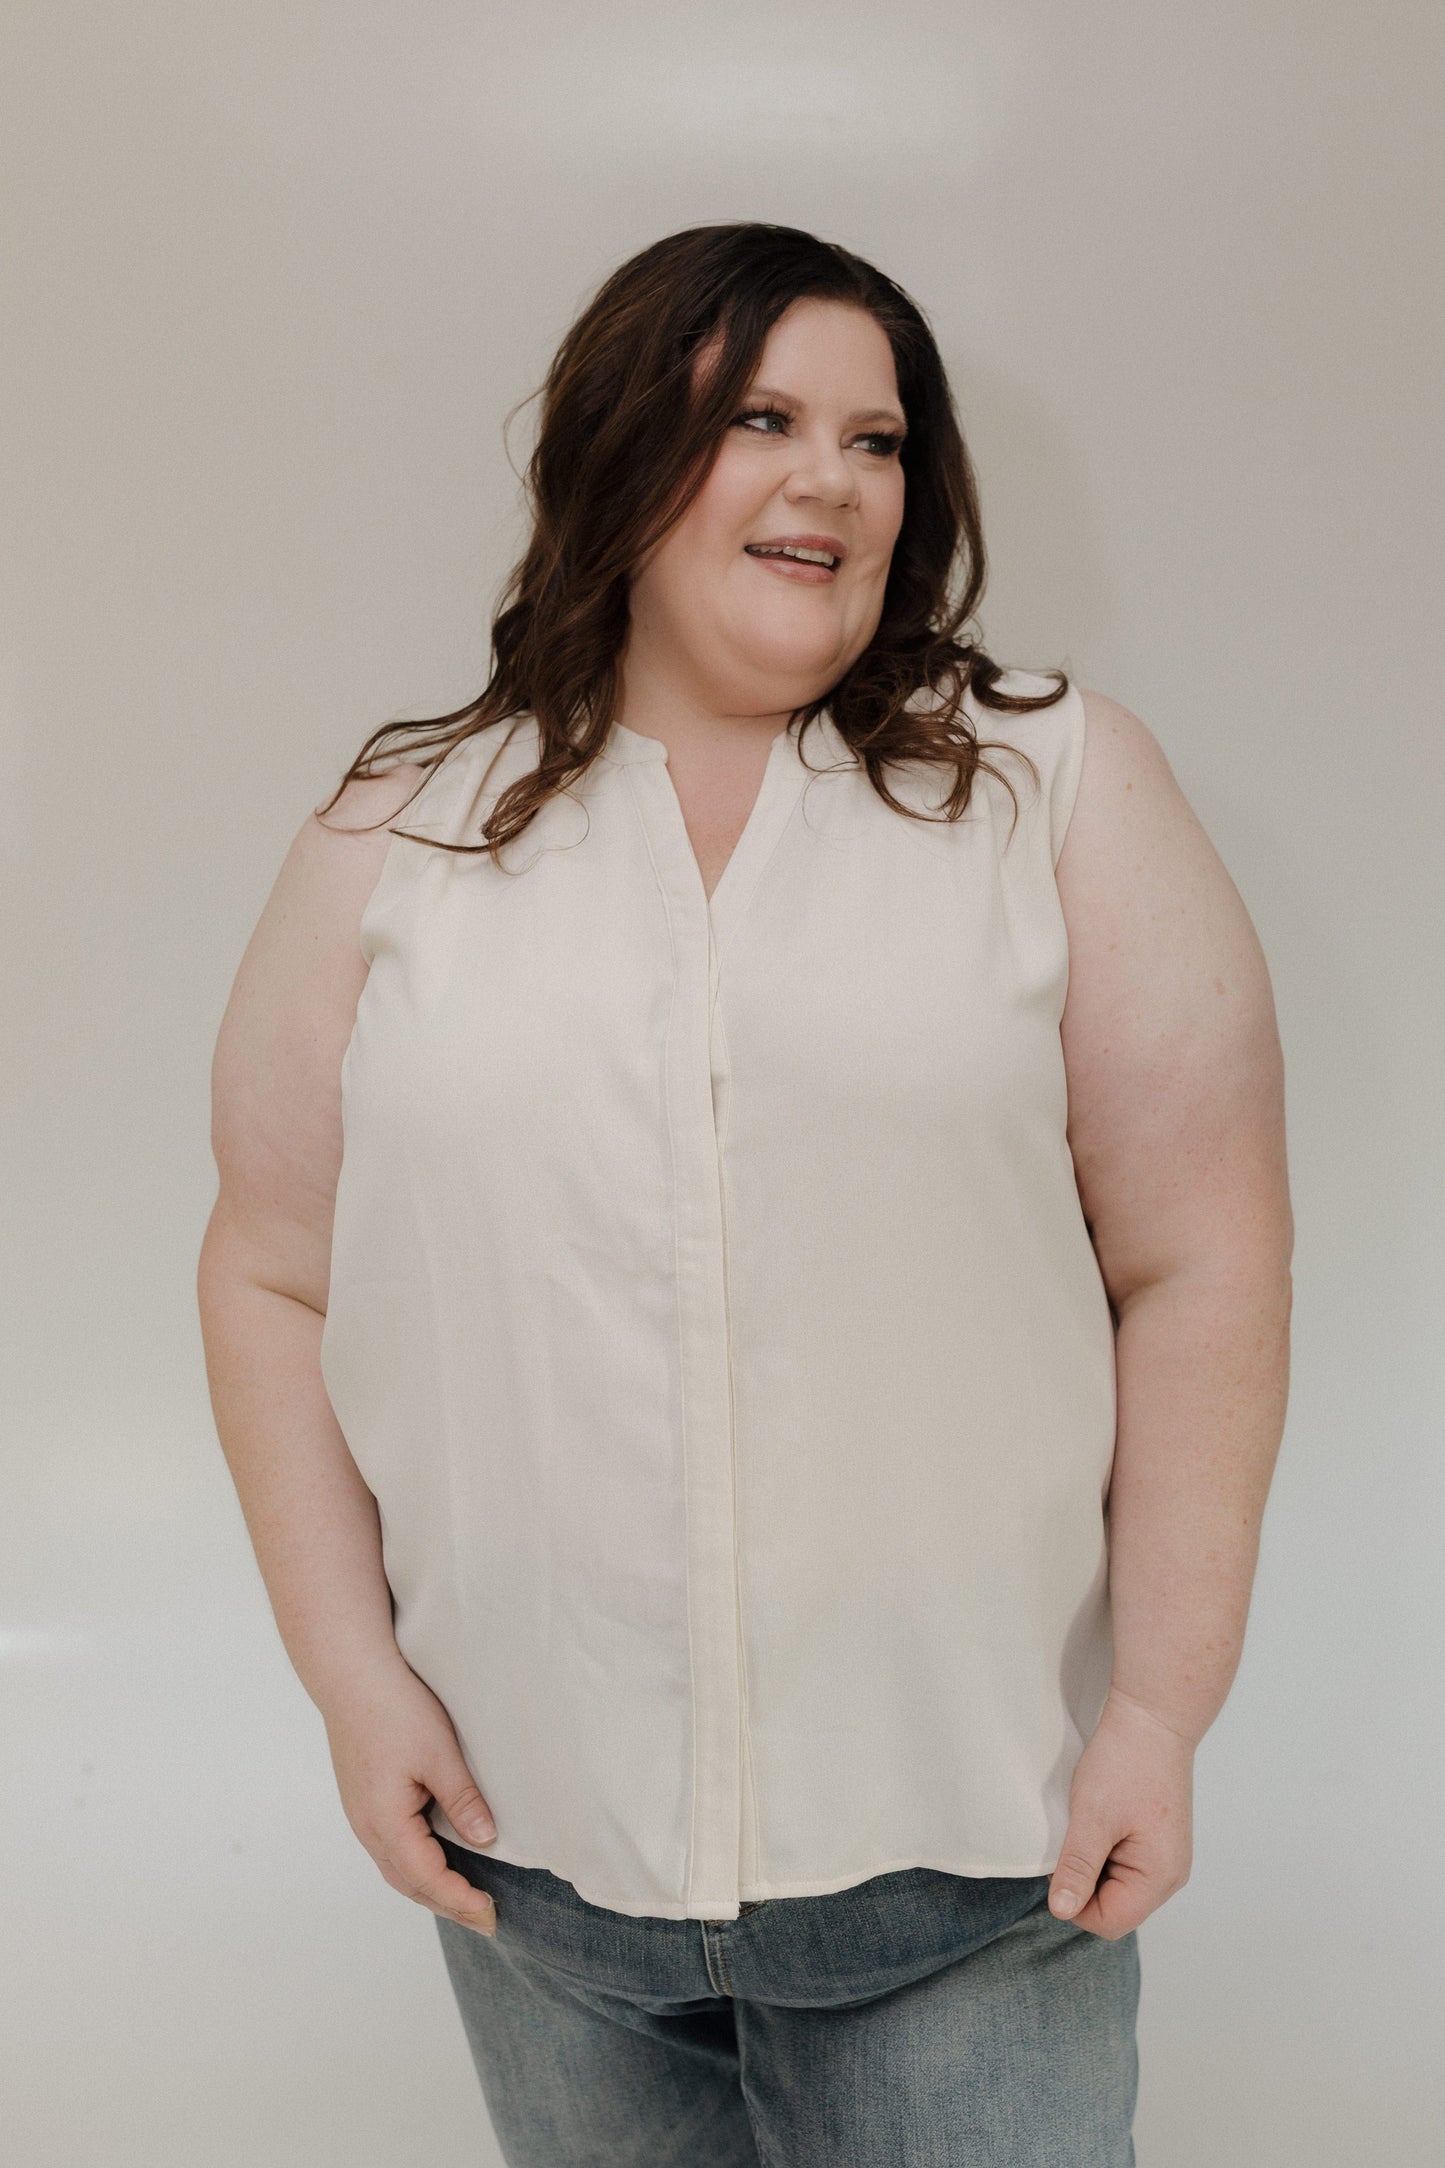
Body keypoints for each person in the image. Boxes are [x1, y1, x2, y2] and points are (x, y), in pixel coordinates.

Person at [197, 223, 1293, 2166]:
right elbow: (274, 1270)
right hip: (538, 1893)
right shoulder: (404, 829)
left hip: (977, 1873)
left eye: (879, 440)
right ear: (623, 455)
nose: (833, 479)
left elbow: (1202, 1254)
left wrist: (1164, 1706)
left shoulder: (1056, 789)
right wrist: (350, 1679)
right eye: (766, 418)